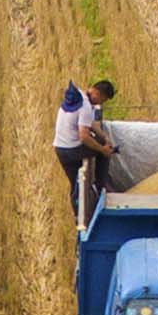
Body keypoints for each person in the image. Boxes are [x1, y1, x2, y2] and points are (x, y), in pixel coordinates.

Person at [53, 79, 118, 214]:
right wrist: (103, 149)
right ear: (97, 93)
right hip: (73, 148)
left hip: (60, 148)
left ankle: (78, 216)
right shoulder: (86, 106)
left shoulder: (79, 97)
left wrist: (104, 137)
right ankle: (102, 184)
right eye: (102, 100)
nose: (100, 103)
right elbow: (84, 136)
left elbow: (90, 124)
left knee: (75, 184)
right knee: (102, 151)